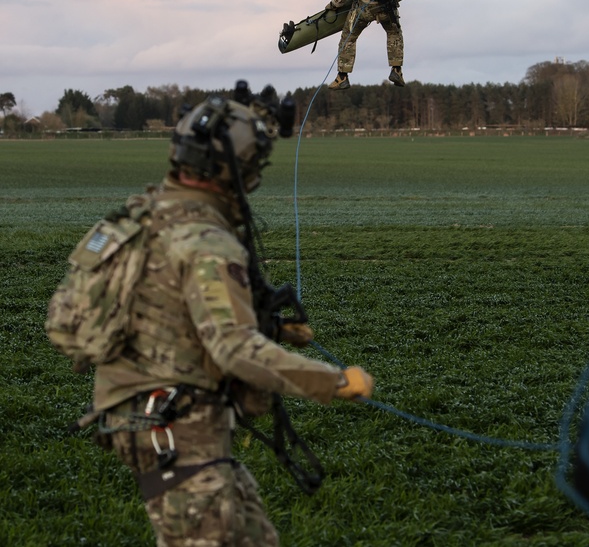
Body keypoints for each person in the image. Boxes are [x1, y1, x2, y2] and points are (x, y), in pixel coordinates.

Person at [51, 87, 374, 545]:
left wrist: (275, 326)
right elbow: (234, 347)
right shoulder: (205, 240)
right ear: (238, 168)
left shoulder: (145, 214)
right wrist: (335, 381)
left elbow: (165, 306)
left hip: (146, 419)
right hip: (177, 429)